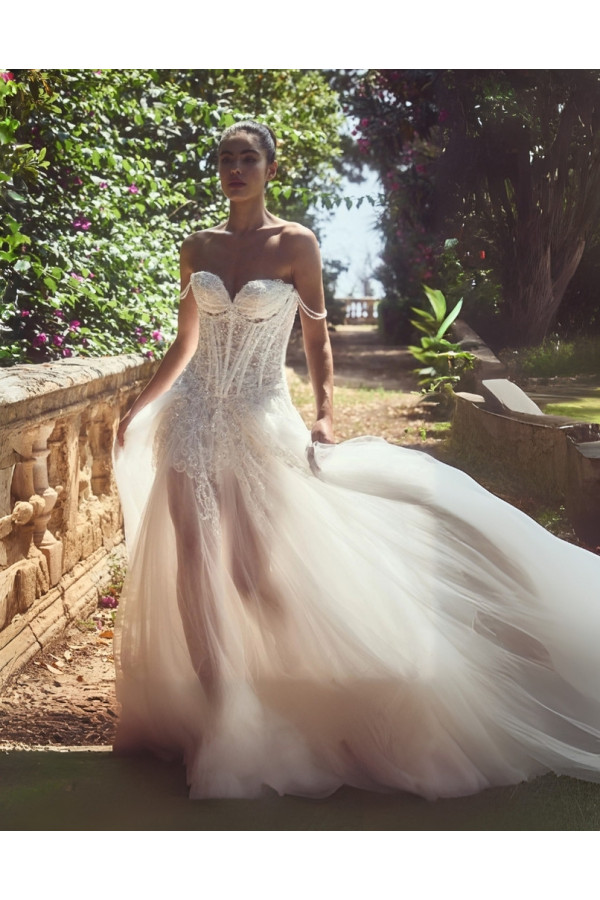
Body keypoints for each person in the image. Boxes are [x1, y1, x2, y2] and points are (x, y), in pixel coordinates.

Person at [113, 119, 600, 801]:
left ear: (270, 169)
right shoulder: (198, 245)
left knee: (252, 575)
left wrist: (324, 413)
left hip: (259, 422)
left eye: (247, 157)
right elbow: (185, 342)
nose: (234, 168)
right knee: (192, 567)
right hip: (192, 420)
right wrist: (140, 406)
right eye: (225, 158)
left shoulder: (297, 244)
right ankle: (224, 720)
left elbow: (317, 340)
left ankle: (324, 686)